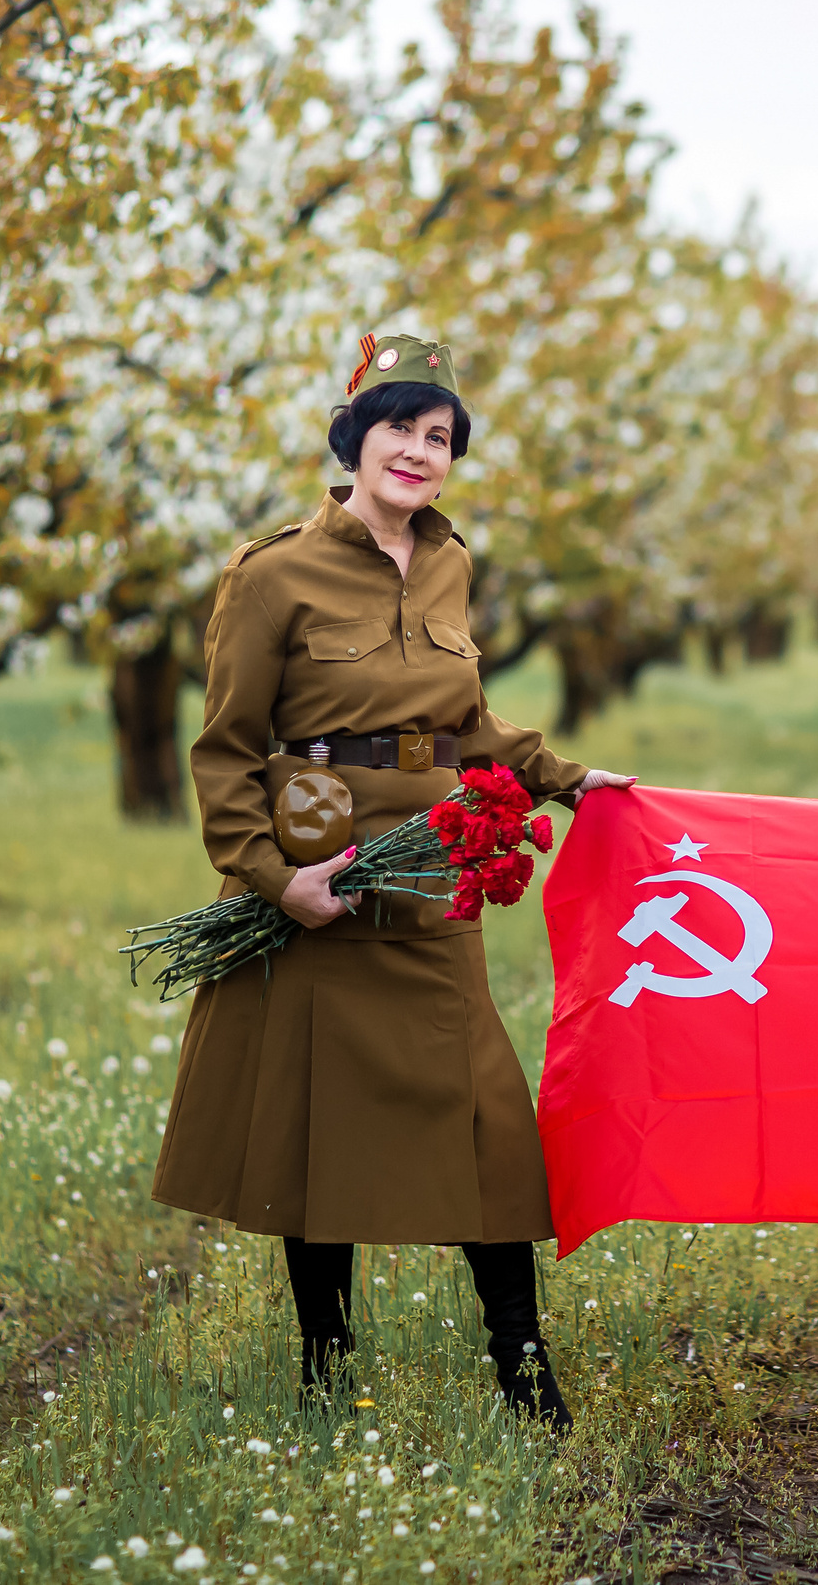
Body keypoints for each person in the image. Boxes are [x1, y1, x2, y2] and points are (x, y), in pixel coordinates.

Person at [150, 331, 633, 1430]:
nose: (418, 452)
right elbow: (225, 750)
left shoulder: (454, 563)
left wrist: (560, 777)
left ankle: (522, 1367)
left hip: (431, 879)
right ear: (354, 435)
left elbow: (462, 722)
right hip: (323, 878)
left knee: (489, 1127)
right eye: (400, 429)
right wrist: (277, 881)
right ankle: (326, 1366)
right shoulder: (271, 575)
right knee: (318, 1142)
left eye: (439, 436)